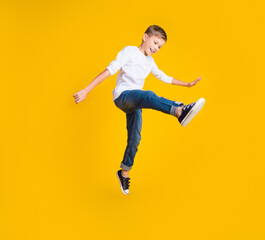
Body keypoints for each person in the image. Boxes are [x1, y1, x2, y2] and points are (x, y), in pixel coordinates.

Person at [73, 25, 205, 195]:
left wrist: (186, 84)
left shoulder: (150, 62)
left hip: (136, 101)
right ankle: (179, 111)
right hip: (123, 97)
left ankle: (124, 171)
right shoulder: (129, 51)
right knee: (148, 95)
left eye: (160, 47)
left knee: (135, 138)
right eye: (155, 42)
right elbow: (109, 70)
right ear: (145, 36)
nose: (156, 48)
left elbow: (164, 77)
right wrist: (86, 90)